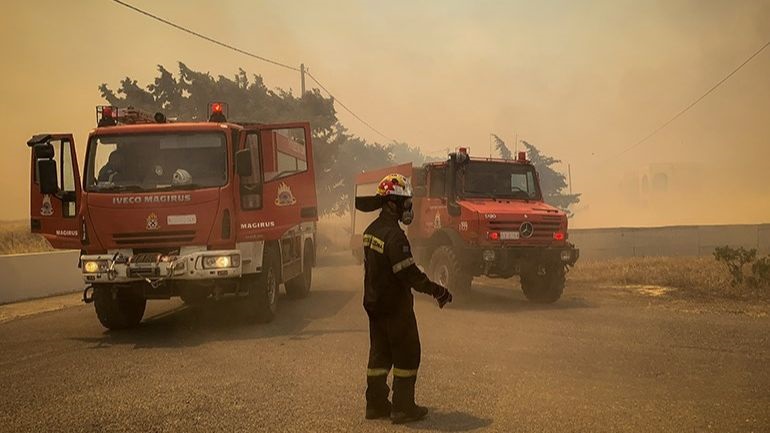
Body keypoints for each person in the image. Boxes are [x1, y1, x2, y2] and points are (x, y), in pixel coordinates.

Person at [355, 173, 453, 424]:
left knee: (379, 354)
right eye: (405, 202)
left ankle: (375, 405)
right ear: (391, 204)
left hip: (374, 304)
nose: (409, 207)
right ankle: (403, 407)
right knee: (407, 354)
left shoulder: (370, 231)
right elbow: (409, 274)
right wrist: (437, 290)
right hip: (395, 307)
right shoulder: (395, 237)